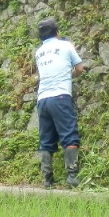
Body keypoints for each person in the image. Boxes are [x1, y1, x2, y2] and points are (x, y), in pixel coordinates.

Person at [34, 17, 85, 188]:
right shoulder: (66, 45)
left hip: (42, 100)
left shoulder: (39, 52)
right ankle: (71, 176)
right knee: (69, 135)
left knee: (46, 140)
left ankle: (47, 180)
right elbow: (79, 69)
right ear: (58, 32)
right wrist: (68, 73)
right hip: (61, 97)